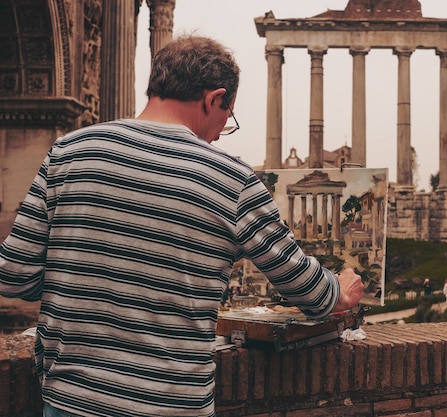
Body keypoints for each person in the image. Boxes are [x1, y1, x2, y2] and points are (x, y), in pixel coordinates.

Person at [0, 35, 363, 417]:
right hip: (172, 405)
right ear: (213, 99)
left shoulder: (68, 152)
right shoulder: (233, 180)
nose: (222, 131)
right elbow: (305, 287)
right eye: (228, 116)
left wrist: (91, 272)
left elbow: (14, 277)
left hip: (72, 400)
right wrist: (341, 289)